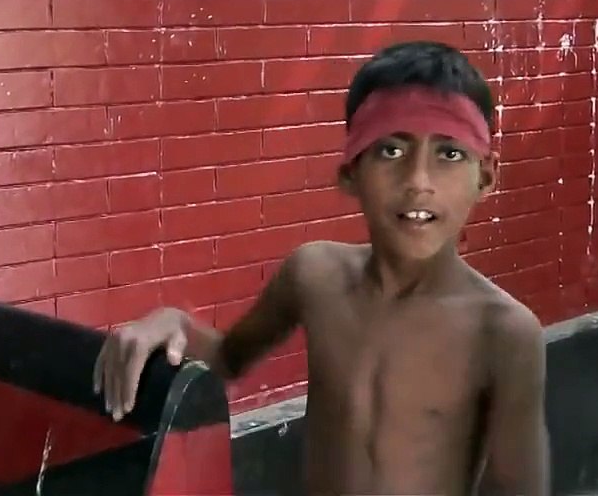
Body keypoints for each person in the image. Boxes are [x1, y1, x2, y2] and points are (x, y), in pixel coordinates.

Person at [93, 41, 549, 496]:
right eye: (391, 150)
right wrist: (172, 324)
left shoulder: (502, 332)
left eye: (449, 154)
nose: (418, 182)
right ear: (350, 171)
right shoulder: (315, 275)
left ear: (486, 176)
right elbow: (228, 359)